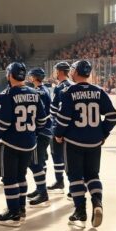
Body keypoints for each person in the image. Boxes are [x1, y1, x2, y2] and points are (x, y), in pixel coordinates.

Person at [54, 60, 116, 229]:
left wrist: (58, 134)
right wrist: (102, 133)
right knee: (93, 175)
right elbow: (113, 116)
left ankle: (80, 212)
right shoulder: (99, 91)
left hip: (74, 141)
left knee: (75, 177)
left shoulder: (69, 91)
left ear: (75, 72)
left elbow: (62, 119)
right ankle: (97, 202)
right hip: (94, 142)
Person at [0, 62, 46, 227]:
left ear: (9, 75)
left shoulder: (5, 95)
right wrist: (31, 134)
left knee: (10, 179)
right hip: (29, 143)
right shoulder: (35, 94)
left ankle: (14, 213)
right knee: (21, 177)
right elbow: (42, 121)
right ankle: (21, 209)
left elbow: (2, 122)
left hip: (11, 143)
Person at [26, 68, 54, 208]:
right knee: (39, 161)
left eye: (31, 76)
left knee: (35, 162)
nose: (29, 77)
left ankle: (43, 192)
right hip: (46, 131)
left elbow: (40, 114)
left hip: (41, 132)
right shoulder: (44, 89)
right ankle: (40, 188)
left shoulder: (39, 92)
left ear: (34, 77)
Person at [48, 61, 72, 194]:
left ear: (60, 72)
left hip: (58, 127)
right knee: (65, 156)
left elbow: (54, 109)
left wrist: (56, 127)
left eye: (56, 70)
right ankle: (65, 183)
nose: (55, 73)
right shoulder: (71, 86)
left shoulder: (60, 87)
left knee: (58, 155)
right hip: (69, 128)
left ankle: (61, 181)